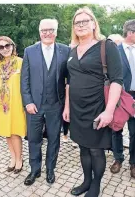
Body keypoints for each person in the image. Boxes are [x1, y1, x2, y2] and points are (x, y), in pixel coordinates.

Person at [63, 7, 123, 197]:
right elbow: (69, 81)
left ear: (94, 23)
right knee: (83, 147)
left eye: (85, 21)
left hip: (98, 108)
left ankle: (95, 185)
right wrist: (67, 107)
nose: (81, 25)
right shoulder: (72, 50)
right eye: (77, 22)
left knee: (96, 150)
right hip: (76, 110)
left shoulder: (107, 46)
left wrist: (109, 111)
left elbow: (116, 80)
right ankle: (86, 181)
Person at [21, 19, 70, 186]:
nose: (47, 33)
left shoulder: (66, 50)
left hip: (56, 104)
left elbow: (69, 79)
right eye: (44, 30)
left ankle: (50, 169)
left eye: (50, 30)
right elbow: (24, 79)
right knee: (34, 139)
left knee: (54, 138)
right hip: (34, 105)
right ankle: (35, 169)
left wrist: (67, 105)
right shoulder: (29, 51)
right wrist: (27, 102)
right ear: (39, 32)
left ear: (56, 31)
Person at [0, 36, 26, 173]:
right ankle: (12, 158)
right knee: (6, 133)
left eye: (7, 45)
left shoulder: (21, 62)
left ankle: (19, 159)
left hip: (17, 102)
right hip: (3, 104)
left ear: (12, 46)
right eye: (1, 47)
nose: (5, 49)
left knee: (15, 133)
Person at [110, 19, 135, 179]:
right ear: (131, 33)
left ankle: (134, 162)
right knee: (116, 130)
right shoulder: (115, 51)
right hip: (120, 97)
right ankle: (118, 158)